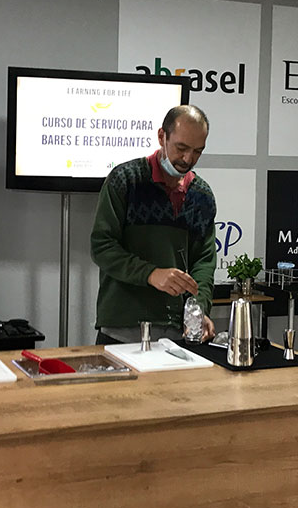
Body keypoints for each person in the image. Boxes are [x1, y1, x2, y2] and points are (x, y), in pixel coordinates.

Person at [91, 104, 217, 345]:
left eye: (197, 151)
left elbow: (204, 260)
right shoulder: (125, 180)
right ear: (162, 136)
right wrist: (151, 274)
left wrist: (198, 309)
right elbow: (102, 246)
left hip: (179, 335)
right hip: (122, 330)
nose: (188, 159)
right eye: (181, 148)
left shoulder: (202, 195)